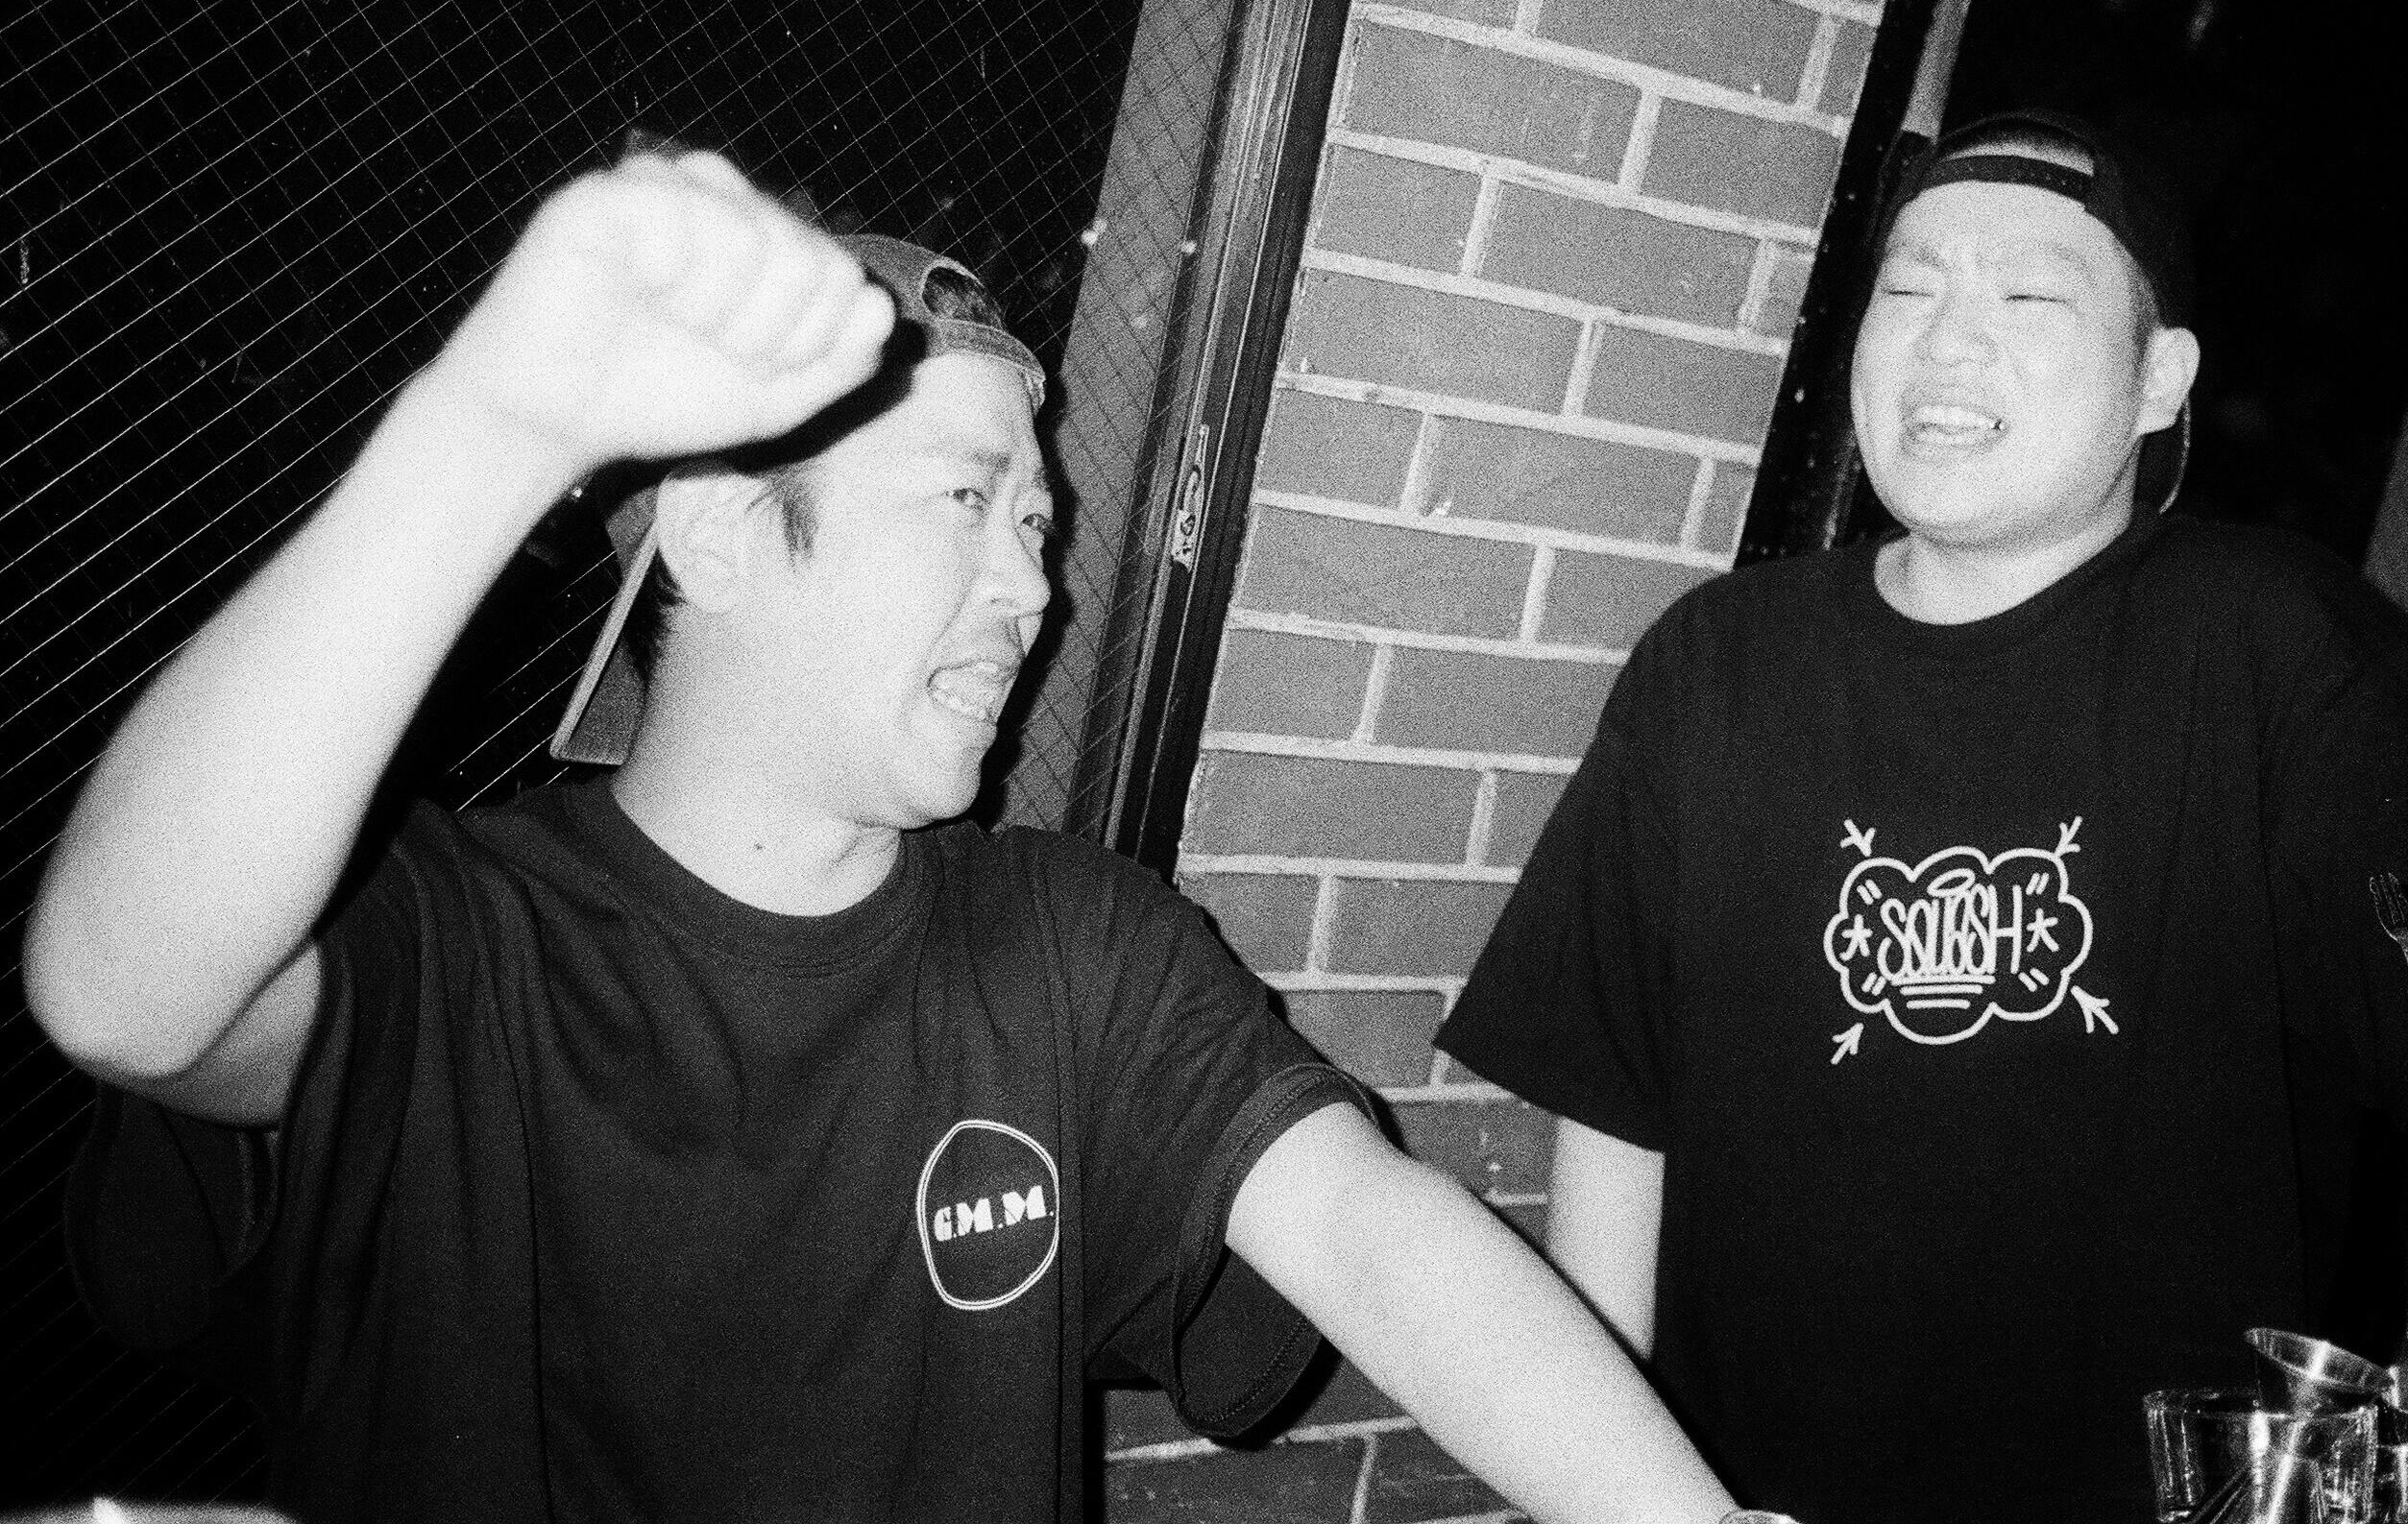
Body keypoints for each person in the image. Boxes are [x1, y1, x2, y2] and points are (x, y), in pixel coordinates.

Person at [28, 144, 1758, 1524]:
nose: (1031, 584)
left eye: (1037, 521)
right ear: (717, 534)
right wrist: (498, 423)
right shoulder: (453, 939)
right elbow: (125, 998)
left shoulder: (1073, 946)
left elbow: (1376, 1238)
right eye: (963, 500)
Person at [1437, 109, 2408, 1520]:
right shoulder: (1718, 663)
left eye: (2027, 298)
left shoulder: (2283, 654)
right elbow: (1615, 1120)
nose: (1947, 343)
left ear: (2159, 380)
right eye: (1908, 289)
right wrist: (1605, 1497)